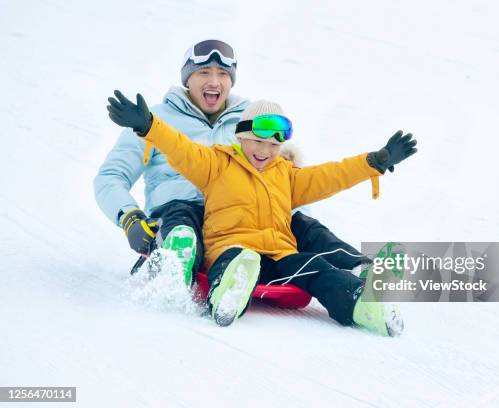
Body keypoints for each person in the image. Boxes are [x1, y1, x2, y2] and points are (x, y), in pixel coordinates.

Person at [106, 93, 418, 336]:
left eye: (272, 145)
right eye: (257, 141)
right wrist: (148, 124)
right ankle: (225, 298)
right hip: (231, 248)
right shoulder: (216, 164)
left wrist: (373, 162)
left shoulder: (286, 174)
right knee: (238, 262)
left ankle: (362, 305)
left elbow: (331, 175)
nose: (264, 151)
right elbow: (180, 148)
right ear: (240, 137)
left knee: (316, 267)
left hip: (278, 255)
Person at [94, 40, 370, 286]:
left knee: (303, 224)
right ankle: (174, 264)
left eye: (223, 74)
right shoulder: (152, 120)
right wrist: (129, 217)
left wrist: (293, 219)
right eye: (204, 72)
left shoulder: (251, 121)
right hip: (178, 214)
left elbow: (283, 179)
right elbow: (111, 177)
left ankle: (374, 276)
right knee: (182, 218)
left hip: (240, 221)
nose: (214, 81)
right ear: (187, 79)